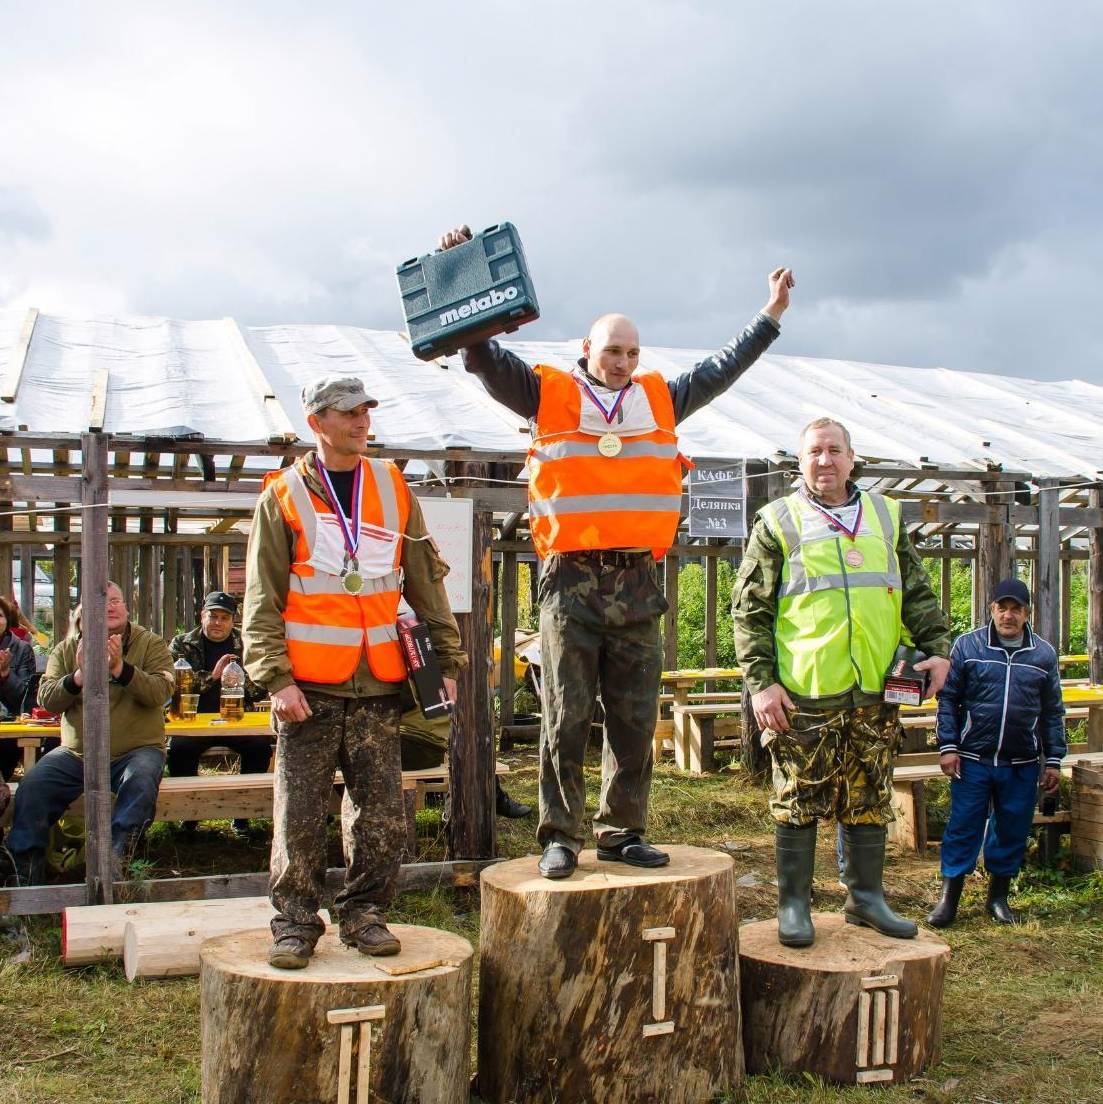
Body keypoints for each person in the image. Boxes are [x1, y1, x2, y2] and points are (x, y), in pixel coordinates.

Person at [437, 223, 793, 879]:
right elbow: (485, 359)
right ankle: (559, 837)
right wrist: (463, 274)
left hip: (636, 580)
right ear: (587, 350)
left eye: (631, 352)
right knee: (565, 718)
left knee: (633, 719)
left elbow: (722, 369)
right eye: (611, 351)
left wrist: (767, 317)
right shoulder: (547, 393)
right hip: (569, 581)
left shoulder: (661, 398)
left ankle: (622, 831)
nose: (622, 361)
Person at [244, 375, 466, 969]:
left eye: (366, 410)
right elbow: (262, 599)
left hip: (379, 681)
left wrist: (447, 661)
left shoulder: (394, 486)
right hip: (309, 686)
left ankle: (365, 912)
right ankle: (294, 923)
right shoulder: (283, 495)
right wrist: (275, 678)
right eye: (347, 413)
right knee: (300, 812)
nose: (361, 422)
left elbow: (426, 581)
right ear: (317, 422)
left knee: (382, 813)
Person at [733, 417, 952, 946]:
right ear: (800, 461)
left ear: (852, 459)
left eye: (834, 451)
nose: (824, 461)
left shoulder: (885, 516)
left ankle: (866, 898)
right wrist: (762, 682)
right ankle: (794, 905)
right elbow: (749, 611)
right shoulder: (777, 521)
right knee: (798, 796)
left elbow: (917, 594)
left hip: (875, 691)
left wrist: (940, 650)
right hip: (805, 690)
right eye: (814, 452)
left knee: (870, 794)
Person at [5, 582, 174, 884]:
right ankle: (24, 877)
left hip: (136, 749)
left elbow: (160, 692)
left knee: (141, 778)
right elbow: (47, 698)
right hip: (76, 753)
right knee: (32, 787)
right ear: (85, 610)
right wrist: (80, 676)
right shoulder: (68, 649)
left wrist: (121, 669)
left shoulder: (151, 644)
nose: (109, 607)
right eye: (101, 601)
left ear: (126, 608)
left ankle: (114, 865)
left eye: (116, 601)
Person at [927, 578, 1065, 927]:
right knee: (963, 825)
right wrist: (948, 747)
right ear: (992, 610)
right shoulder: (968, 646)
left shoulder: (1043, 655)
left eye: (1015, 609)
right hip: (972, 759)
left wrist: (1053, 759)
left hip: (1021, 762)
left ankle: (998, 899)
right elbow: (949, 701)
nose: (1008, 615)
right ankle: (948, 900)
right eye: (1002, 608)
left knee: (1012, 828)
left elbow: (1052, 711)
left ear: (1027, 613)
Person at [168, 591, 269, 834]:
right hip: (193, 721)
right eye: (213, 616)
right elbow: (173, 685)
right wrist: (213, 676)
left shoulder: (246, 643)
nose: (217, 623)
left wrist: (238, 680)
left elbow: (260, 690)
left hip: (237, 719)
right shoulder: (182, 644)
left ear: (233, 620)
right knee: (179, 751)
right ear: (202, 616)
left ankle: (242, 814)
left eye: (224, 618)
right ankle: (190, 814)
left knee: (259, 748)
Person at [398, 681, 532, 818]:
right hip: (407, 747)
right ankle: (491, 799)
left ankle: (471, 804)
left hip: (415, 743)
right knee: (463, 733)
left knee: (465, 733)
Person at [0, 595, 37, 780]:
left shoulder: (22, 649)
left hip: (10, 727)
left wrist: (6, 674)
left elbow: (25, 698)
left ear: (7, 621)